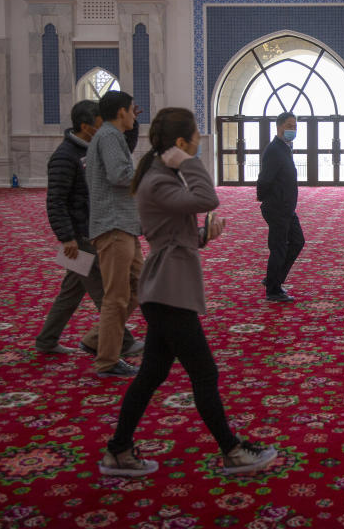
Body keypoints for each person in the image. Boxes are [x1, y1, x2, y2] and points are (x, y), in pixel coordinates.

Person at [99, 107, 278, 477]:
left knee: (151, 374)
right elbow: (207, 199)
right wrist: (187, 163)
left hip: (169, 288)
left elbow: (171, 231)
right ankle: (232, 451)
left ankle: (118, 449)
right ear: (181, 143)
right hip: (168, 293)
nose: (199, 143)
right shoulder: (160, 180)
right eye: (194, 138)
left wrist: (200, 235)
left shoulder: (161, 177)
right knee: (205, 374)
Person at [36, 100, 143, 357]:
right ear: (85, 126)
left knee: (72, 291)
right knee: (108, 293)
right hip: (83, 237)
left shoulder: (95, 147)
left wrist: (132, 122)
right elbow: (56, 201)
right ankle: (118, 342)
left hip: (91, 230)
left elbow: (123, 149)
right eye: (100, 122)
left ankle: (47, 340)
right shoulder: (64, 157)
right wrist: (66, 237)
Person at [85, 90, 144, 378]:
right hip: (114, 226)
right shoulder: (108, 136)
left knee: (139, 285)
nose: (135, 115)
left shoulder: (113, 136)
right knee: (116, 297)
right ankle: (107, 361)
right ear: (121, 112)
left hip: (124, 226)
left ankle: (97, 339)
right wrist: (151, 173)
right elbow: (119, 175)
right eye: (132, 110)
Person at [256, 111, 305, 303]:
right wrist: (266, 199)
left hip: (286, 208)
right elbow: (265, 179)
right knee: (278, 248)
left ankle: (272, 278)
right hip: (278, 208)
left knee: (297, 241)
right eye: (289, 126)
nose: (292, 129)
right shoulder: (274, 150)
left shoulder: (285, 148)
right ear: (279, 127)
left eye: (294, 126)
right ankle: (273, 290)